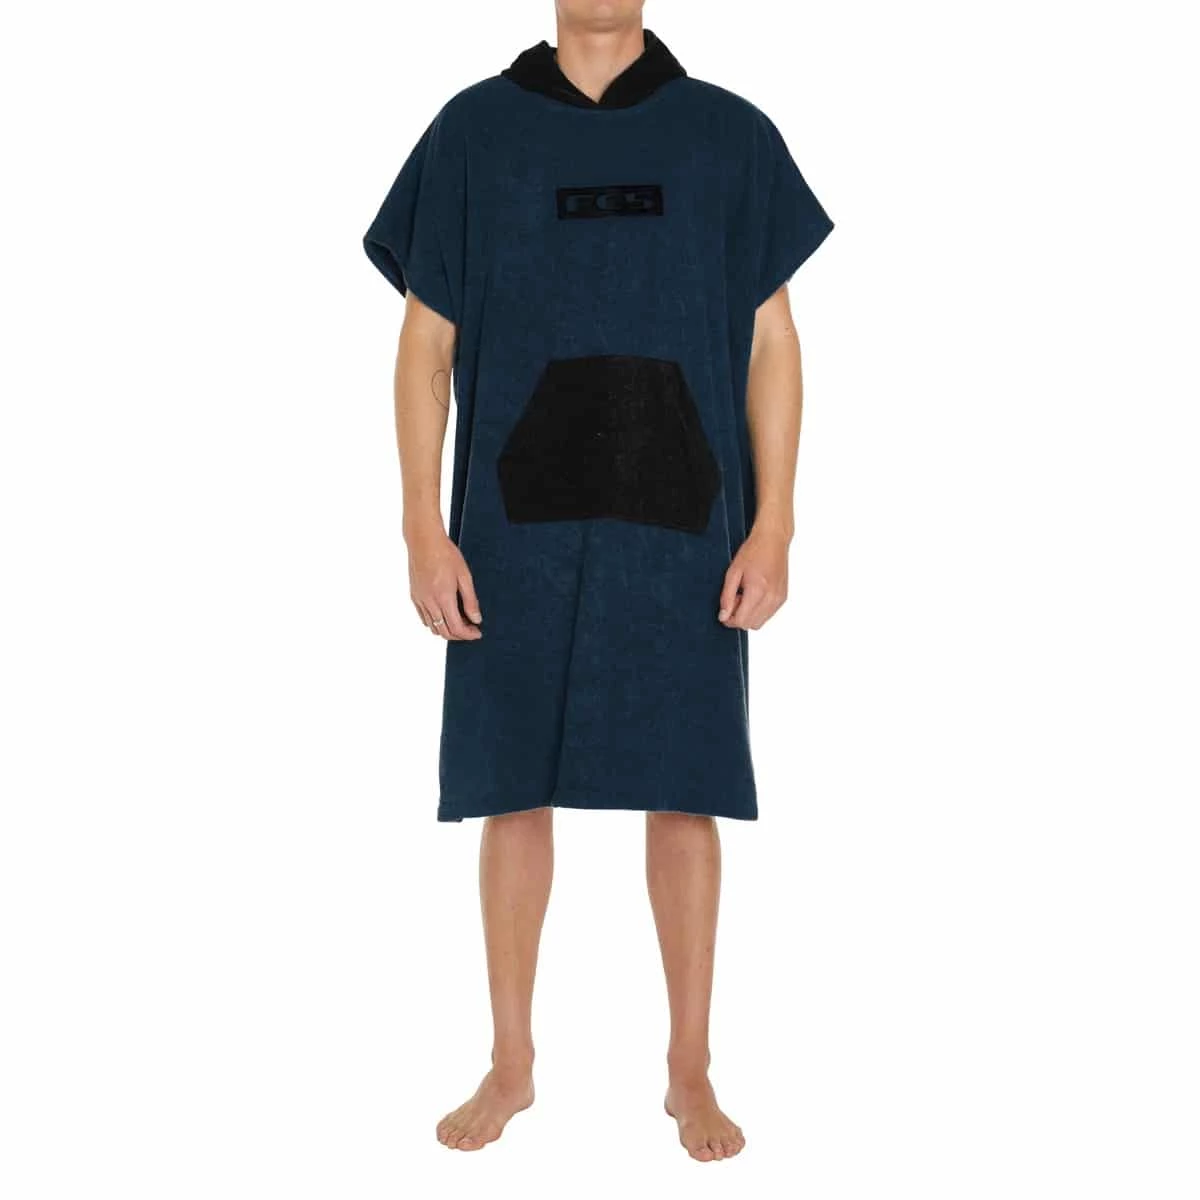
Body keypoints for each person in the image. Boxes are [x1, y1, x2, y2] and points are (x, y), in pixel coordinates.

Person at [361, 0, 834, 1161]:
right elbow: (425, 345)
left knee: (687, 790)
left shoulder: (727, 135)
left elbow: (774, 339)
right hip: (512, 527)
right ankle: (511, 1061)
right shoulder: (474, 133)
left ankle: (690, 1069)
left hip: (684, 528)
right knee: (509, 789)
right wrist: (422, 527)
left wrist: (776, 523)